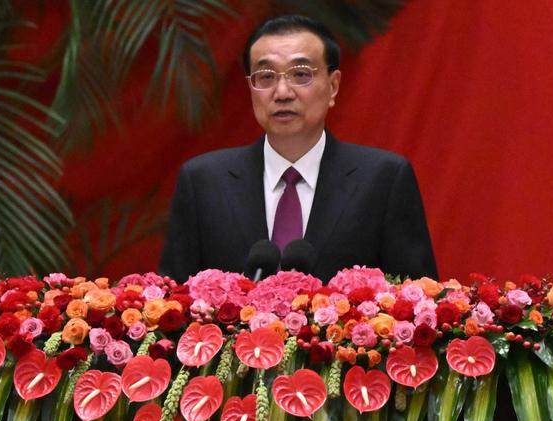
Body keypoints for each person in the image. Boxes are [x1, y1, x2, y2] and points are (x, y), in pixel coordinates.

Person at [159, 15, 437, 284]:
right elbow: (173, 307)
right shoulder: (203, 181)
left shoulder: (383, 180)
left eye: (300, 74)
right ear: (251, 87)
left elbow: (417, 303)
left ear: (333, 86)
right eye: (266, 77)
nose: (282, 92)